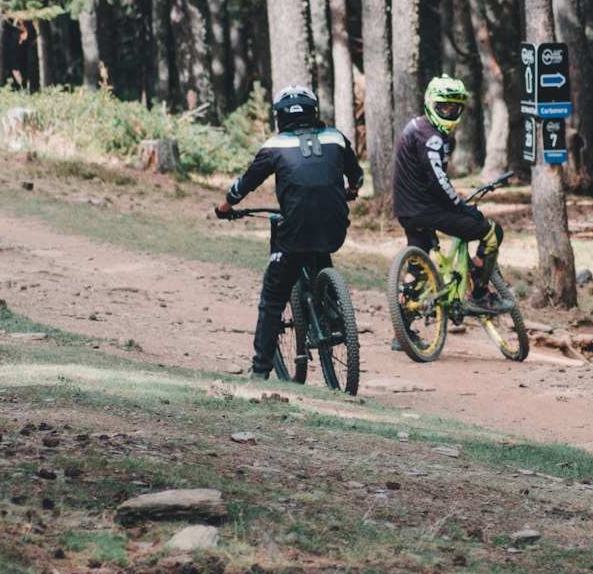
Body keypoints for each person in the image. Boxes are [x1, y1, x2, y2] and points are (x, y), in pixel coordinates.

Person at [216, 85, 364, 378]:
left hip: (293, 233)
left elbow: (245, 184)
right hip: (334, 227)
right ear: (314, 111)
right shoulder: (335, 137)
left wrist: (225, 207)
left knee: (272, 296)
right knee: (320, 248)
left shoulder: (274, 146)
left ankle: (260, 371)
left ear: (280, 116)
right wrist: (351, 191)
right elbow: (357, 176)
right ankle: (333, 316)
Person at [391, 74, 505, 312]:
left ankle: (401, 330)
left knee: (416, 268)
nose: (449, 113)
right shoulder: (431, 138)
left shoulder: (416, 127)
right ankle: (479, 294)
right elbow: (437, 180)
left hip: (407, 211)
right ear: (430, 103)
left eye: (454, 108)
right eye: (443, 107)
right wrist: (459, 207)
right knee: (492, 232)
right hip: (427, 210)